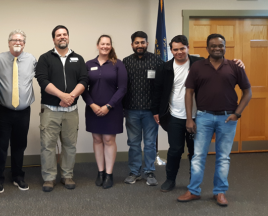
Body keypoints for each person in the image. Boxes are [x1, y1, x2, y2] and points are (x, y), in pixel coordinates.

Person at [151, 35, 245, 192]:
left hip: (199, 116)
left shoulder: (199, 63)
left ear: (188, 47)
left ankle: (192, 182)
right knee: (175, 150)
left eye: (182, 48)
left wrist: (238, 62)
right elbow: (157, 91)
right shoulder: (165, 68)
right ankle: (170, 179)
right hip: (175, 115)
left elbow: (219, 61)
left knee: (195, 152)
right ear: (171, 50)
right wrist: (156, 111)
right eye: (175, 49)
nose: (179, 52)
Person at [177, 34, 251, 207]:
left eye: (221, 45)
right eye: (213, 46)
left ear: (225, 47)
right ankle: (193, 191)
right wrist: (189, 119)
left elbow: (248, 92)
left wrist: (237, 114)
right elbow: (189, 92)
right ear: (207, 48)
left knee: (223, 157)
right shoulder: (197, 67)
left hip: (228, 118)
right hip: (204, 117)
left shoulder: (235, 66)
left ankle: (220, 192)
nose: (217, 48)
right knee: (198, 156)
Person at [35, 25, 88, 192]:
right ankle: (49, 178)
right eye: (58, 35)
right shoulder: (45, 58)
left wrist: (70, 97)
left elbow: (84, 80)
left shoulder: (78, 59)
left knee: (70, 145)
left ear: (68, 37)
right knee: (48, 145)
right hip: (50, 110)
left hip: (71, 111)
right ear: (53, 39)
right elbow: (42, 81)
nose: (62, 37)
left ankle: (67, 175)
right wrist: (62, 96)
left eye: (65, 34)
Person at [0, 29, 37, 193]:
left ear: (24, 43)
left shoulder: (31, 59)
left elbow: (43, 77)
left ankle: (18, 176)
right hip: (4, 110)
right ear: (8, 42)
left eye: (21, 40)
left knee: (19, 145)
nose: (18, 43)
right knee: (2, 146)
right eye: (14, 40)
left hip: (24, 111)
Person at [82, 35, 127, 189]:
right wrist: (92, 105)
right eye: (103, 44)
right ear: (97, 45)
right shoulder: (88, 64)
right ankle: (100, 172)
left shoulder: (117, 64)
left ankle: (109, 173)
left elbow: (122, 88)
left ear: (111, 46)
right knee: (97, 139)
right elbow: (83, 88)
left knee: (108, 140)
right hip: (92, 109)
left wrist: (109, 106)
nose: (105, 46)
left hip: (112, 110)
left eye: (108, 44)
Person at [122, 31, 163, 186]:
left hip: (150, 111)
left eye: (143, 42)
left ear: (147, 43)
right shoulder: (126, 62)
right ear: (132, 44)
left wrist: (159, 109)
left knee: (150, 143)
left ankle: (149, 171)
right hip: (131, 109)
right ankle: (134, 172)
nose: (140, 45)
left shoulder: (156, 61)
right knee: (133, 142)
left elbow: (162, 85)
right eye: (137, 43)